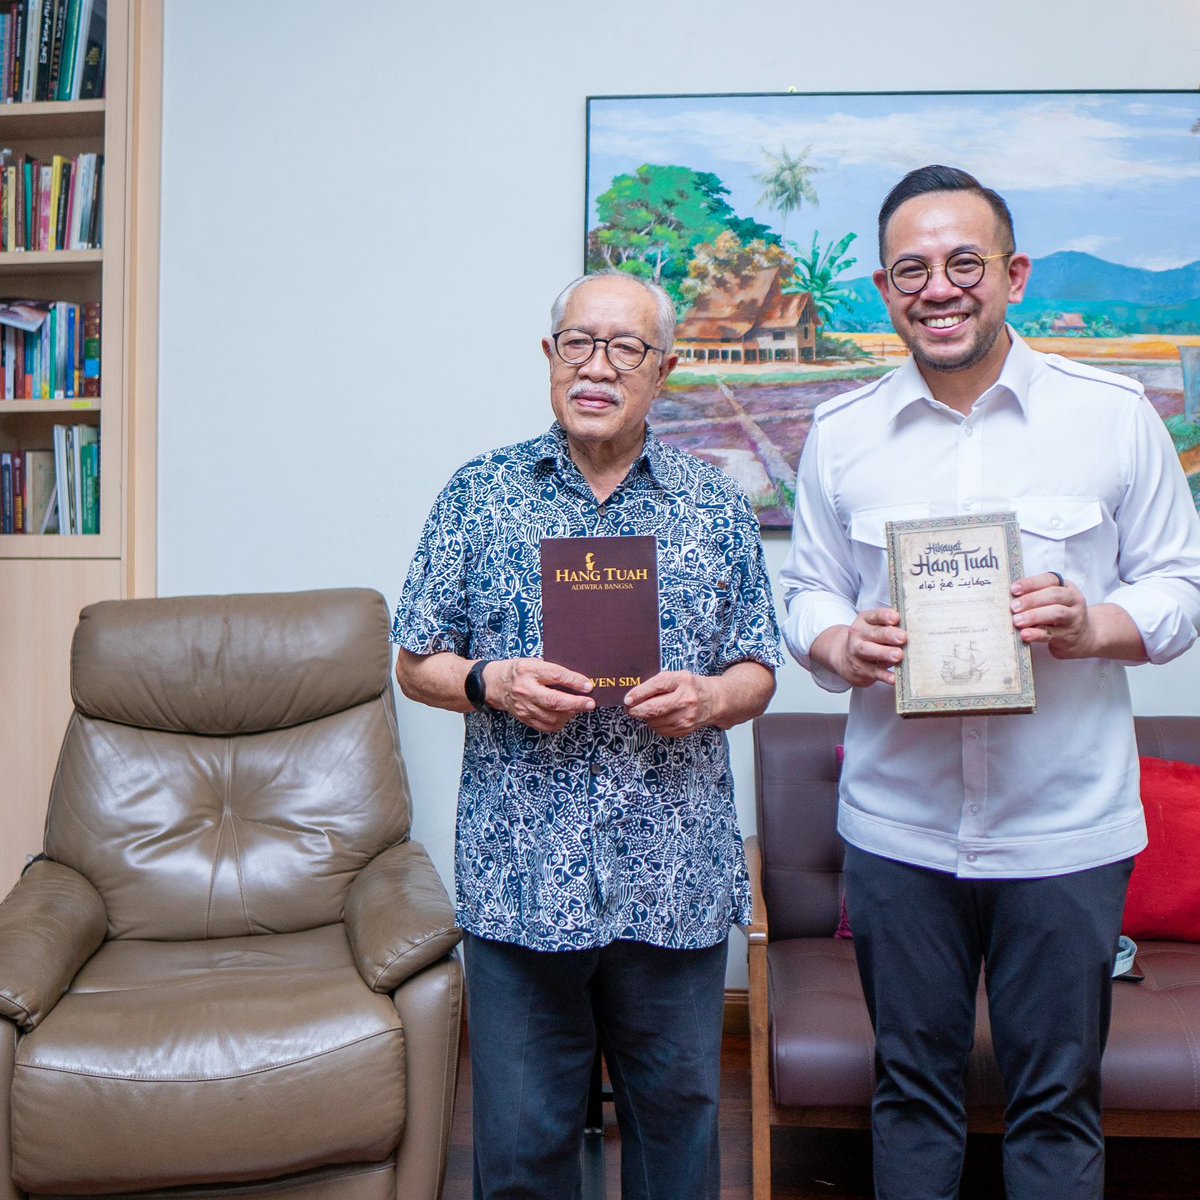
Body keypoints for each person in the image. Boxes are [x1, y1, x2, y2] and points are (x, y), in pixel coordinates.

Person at [781, 164, 1200, 1200]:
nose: (940, 287)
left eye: (965, 263)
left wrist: (1093, 622)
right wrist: (840, 647)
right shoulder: (840, 436)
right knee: (911, 1093)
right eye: (912, 270)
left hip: (1066, 827)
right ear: (885, 289)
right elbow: (805, 595)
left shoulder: (1112, 415)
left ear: (1011, 275)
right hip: (899, 829)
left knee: (1057, 1103)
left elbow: (1182, 586)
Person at [391, 269, 782, 1200]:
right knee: (523, 1151)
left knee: (677, 1135)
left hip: (671, 878)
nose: (597, 367)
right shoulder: (480, 493)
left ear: (666, 370)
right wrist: (490, 682)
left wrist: (711, 701)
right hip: (523, 885)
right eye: (578, 343)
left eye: (626, 349)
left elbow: (759, 667)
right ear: (550, 357)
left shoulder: (713, 503)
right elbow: (414, 661)